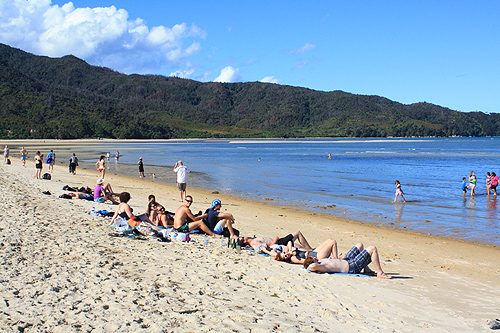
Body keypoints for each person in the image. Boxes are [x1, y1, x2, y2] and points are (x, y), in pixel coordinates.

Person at [304, 243, 391, 279]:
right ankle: (380, 272)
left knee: (359, 245)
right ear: (312, 262)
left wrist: (334, 258)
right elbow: (310, 267)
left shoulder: (320, 262)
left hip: (347, 260)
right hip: (351, 266)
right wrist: (309, 264)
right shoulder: (320, 267)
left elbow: (332, 261)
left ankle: (366, 268)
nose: (316, 258)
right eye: (314, 259)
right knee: (372, 248)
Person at [270, 238, 338, 264]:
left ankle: (336, 258)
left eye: (284, 253)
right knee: (333, 242)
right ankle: (337, 260)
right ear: (286, 259)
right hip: (317, 256)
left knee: (329, 240)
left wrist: (290, 250)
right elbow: (305, 262)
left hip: (314, 252)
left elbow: (289, 242)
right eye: (285, 256)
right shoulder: (293, 258)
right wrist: (307, 257)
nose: (286, 254)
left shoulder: (289, 252)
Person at [237, 231, 313, 252]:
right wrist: (275, 240)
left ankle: (310, 250)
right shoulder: (254, 243)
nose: (243, 236)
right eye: (242, 238)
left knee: (297, 246)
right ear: (244, 242)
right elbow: (267, 247)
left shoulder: (253, 240)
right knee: (298, 233)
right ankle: (310, 250)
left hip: (279, 241)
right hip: (279, 243)